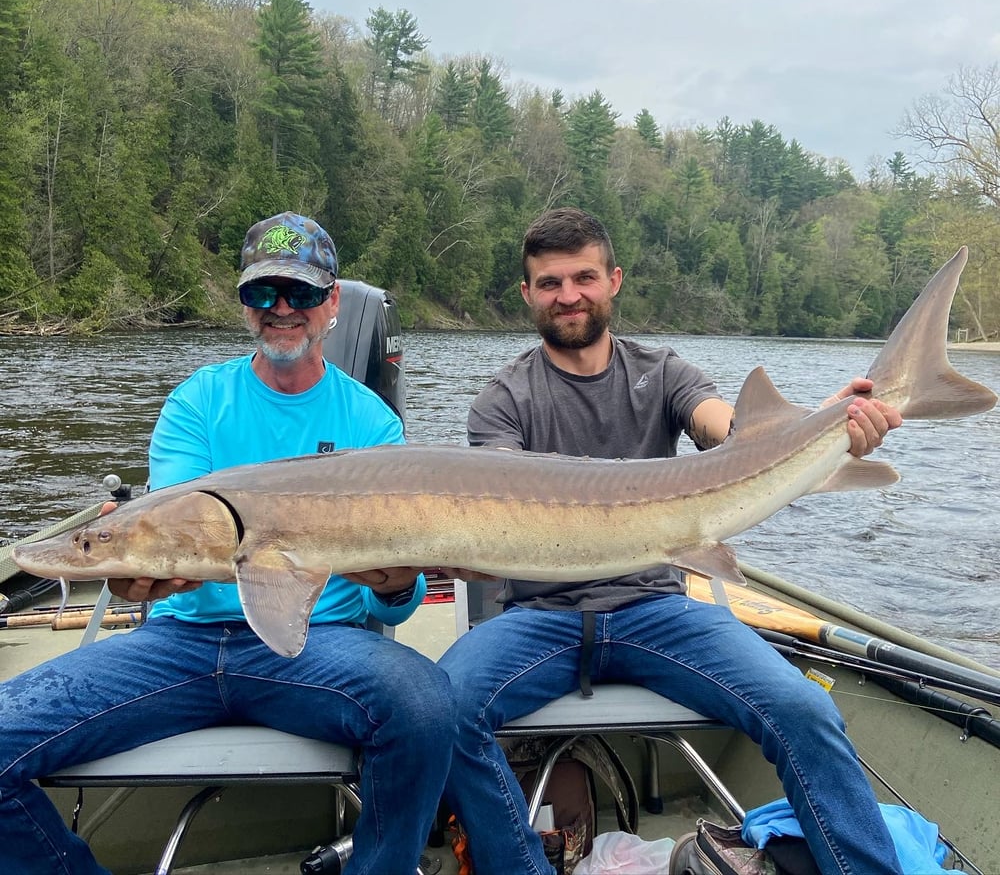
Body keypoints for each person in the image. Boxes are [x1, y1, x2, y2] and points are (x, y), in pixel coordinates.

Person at [439, 206, 905, 875]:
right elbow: (491, 495)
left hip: (659, 612)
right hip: (541, 620)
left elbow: (724, 427)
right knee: (444, 709)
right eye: (549, 283)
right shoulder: (501, 400)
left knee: (803, 708)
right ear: (527, 294)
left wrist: (816, 429)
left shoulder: (662, 371)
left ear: (614, 281)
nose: (568, 296)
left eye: (584, 277)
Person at [0, 212, 456, 875]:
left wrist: (390, 582)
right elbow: (181, 532)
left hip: (317, 646)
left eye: (300, 294)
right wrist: (132, 567)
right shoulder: (198, 401)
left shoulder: (370, 420)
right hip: (178, 645)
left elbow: (395, 610)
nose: (281, 310)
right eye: (261, 294)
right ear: (243, 305)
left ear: (331, 304)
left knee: (423, 702)